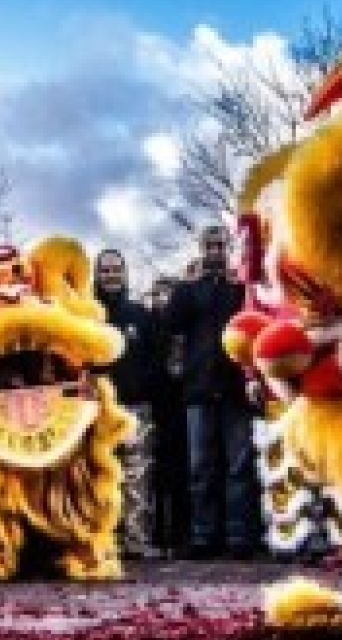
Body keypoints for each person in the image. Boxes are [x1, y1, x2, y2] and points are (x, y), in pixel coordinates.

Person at [163, 225, 259, 558]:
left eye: (221, 245)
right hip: (199, 389)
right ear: (202, 249)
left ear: (228, 248)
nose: (216, 251)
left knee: (239, 465)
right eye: (210, 246)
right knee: (200, 468)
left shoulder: (240, 288)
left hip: (235, 388)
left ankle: (239, 537)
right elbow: (170, 322)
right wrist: (185, 284)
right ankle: (203, 536)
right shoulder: (189, 290)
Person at [91, 249, 159, 557]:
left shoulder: (140, 315)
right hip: (95, 408)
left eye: (116, 269)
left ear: (125, 272)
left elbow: (155, 359)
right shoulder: (88, 315)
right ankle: (100, 540)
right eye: (104, 270)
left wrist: (144, 388)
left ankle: (136, 540)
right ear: (96, 274)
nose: (110, 275)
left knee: (137, 475)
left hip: (135, 407)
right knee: (97, 474)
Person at [145, 276, 190, 556]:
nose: (164, 300)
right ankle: (156, 533)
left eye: (169, 295)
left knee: (182, 474)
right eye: (158, 295)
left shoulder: (184, 326)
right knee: (155, 475)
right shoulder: (147, 324)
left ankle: (180, 535)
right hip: (155, 405)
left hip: (183, 406)